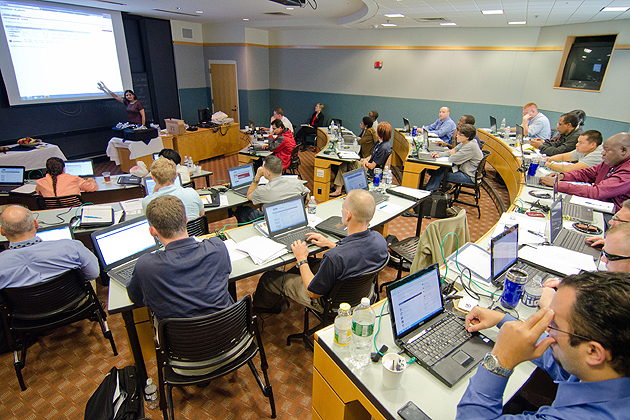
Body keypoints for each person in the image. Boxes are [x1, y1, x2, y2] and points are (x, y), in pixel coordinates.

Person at [457, 271, 630, 419]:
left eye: (554, 325)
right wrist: (503, 319)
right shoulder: (607, 369)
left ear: (593, 352)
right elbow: (562, 361)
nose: (546, 329)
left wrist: (500, 360)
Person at [252, 189, 388, 313]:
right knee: (311, 263)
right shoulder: (380, 241)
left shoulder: (333, 257)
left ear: (348, 216)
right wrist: (329, 243)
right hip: (360, 296)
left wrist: (301, 259)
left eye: (343, 208)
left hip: (328, 303)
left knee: (268, 278)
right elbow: (354, 255)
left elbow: (312, 292)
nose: (341, 211)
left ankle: (262, 309)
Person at [127, 195, 232, 322]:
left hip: (180, 340)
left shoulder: (146, 266)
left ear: (152, 231)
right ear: (186, 220)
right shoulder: (217, 247)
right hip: (228, 333)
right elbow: (226, 271)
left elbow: (136, 298)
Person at [0, 205, 99, 290]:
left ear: (2, 231)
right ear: (36, 224)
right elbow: (93, 274)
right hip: (74, 304)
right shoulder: (72, 247)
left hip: (24, 311)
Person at [540, 132, 630, 212]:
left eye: (607, 150)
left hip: (611, 214)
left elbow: (597, 192)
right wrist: (563, 176)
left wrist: (558, 184)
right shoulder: (612, 161)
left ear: (623, 150)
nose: (602, 153)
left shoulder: (627, 171)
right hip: (596, 204)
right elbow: (588, 173)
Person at [232, 155, 310, 224]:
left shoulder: (263, 190)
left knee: (243, 211)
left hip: (274, 222)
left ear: (268, 173)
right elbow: (307, 197)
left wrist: (256, 178)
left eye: (263, 167)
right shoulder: (296, 182)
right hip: (293, 218)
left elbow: (249, 195)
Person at [142, 157, 203, 221]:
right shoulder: (191, 192)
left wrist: (154, 192)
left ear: (154, 178)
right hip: (194, 231)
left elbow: (150, 223)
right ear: (176, 176)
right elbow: (201, 215)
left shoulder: (147, 202)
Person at [424, 124, 483, 191]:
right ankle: (430, 191)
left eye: (460, 135)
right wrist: (439, 154)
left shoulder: (470, 146)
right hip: (464, 170)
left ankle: (429, 193)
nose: (457, 136)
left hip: (469, 176)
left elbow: (452, 159)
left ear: (467, 137)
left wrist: (453, 153)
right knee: (440, 170)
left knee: (439, 174)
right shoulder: (465, 142)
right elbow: (451, 151)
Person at [329, 116, 377, 197]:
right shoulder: (367, 130)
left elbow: (361, 142)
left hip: (366, 164)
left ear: (365, 125)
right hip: (364, 159)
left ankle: (338, 190)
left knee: (344, 164)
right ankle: (339, 185)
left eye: (362, 123)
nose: (360, 124)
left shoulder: (369, 132)